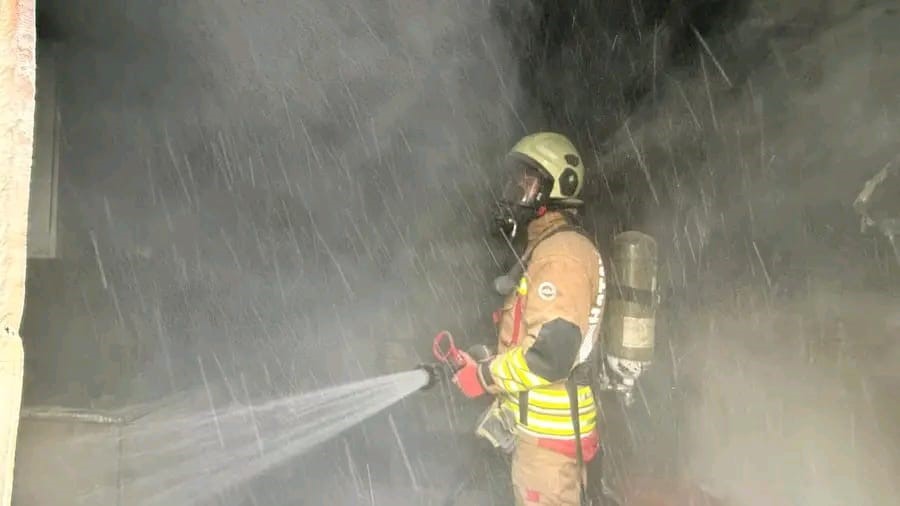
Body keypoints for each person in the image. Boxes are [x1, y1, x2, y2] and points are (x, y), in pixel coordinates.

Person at [451, 132, 618, 506]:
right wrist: (487, 364)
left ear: (558, 187)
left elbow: (550, 355)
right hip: (537, 443)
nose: (514, 194)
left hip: (549, 453)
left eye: (525, 183)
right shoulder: (546, 248)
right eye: (513, 183)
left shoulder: (563, 255)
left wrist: (485, 377)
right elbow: (530, 340)